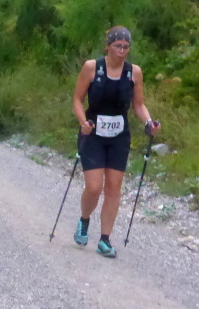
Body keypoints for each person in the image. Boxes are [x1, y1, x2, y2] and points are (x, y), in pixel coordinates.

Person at [72, 26, 161, 258]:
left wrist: (149, 122)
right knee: (94, 187)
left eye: (126, 47)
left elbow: (138, 104)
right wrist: (82, 122)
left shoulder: (134, 72)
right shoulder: (92, 67)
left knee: (113, 188)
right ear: (108, 47)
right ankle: (84, 219)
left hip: (119, 136)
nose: (121, 51)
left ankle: (105, 239)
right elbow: (77, 100)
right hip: (93, 133)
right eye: (117, 46)